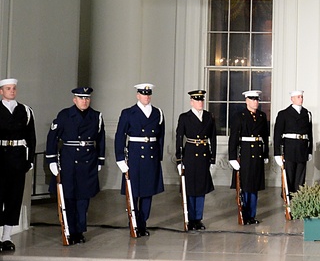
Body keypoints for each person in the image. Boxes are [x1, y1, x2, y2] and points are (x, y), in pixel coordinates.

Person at [45, 86, 105, 245]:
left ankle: (79, 231)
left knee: (83, 199)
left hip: (88, 161)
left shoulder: (96, 116)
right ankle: (69, 230)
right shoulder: (64, 115)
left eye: (87, 98)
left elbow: (100, 140)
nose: (84, 101)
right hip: (69, 161)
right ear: (74, 99)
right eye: (81, 98)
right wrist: (51, 160)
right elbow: (52, 138)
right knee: (69, 198)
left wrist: (100, 160)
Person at [114, 83, 165, 238]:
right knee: (134, 192)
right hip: (135, 156)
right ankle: (134, 223)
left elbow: (161, 137)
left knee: (147, 193)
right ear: (138, 95)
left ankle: (143, 223)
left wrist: (159, 157)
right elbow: (120, 136)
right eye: (143, 94)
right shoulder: (128, 113)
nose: (146, 97)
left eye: (148, 94)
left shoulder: (157, 112)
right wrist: (120, 158)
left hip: (151, 157)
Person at [0, 78, 35, 252]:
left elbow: (31, 137)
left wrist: (29, 161)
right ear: (1, 91)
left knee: (14, 197)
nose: (12, 91)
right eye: (8, 88)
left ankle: (6, 237)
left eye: (14, 88)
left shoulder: (25, 111)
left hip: (17, 158)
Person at [175, 89, 216, 231]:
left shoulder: (209, 116)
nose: (200, 103)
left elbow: (213, 138)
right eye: (197, 100)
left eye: (202, 100)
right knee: (190, 188)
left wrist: (212, 157)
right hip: (190, 154)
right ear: (191, 102)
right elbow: (179, 138)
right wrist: (179, 159)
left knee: (201, 188)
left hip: (204, 154)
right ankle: (190, 218)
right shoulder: (185, 117)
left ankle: (198, 218)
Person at [228, 89, 269, 225]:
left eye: (257, 99)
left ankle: (252, 215)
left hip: (257, 153)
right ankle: (244, 214)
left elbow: (265, 137)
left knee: (254, 186)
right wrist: (232, 157)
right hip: (245, 153)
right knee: (245, 186)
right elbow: (233, 138)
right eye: (252, 99)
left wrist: (265, 154)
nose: (255, 102)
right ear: (246, 101)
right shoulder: (239, 116)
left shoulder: (262, 116)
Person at [273, 89, 312, 194]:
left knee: (300, 177)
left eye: (302, 97)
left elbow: (310, 134)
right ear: (292, 99)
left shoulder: (306, 113)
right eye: (298, 97)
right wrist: (277, 153)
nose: (301, 99)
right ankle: (288, 198)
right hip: (289, 148)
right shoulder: (284, 114)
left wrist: (310, 150)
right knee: (288, 176)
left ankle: (298, 199)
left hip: (302, 148)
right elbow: (277, 135)